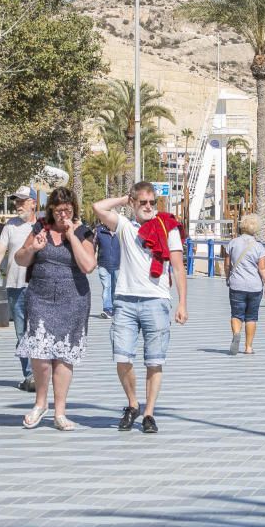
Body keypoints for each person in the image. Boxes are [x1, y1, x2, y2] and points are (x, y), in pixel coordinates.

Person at [93, 182, 188, 434]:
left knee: (154, 361)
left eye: (152, 202)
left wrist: (182, 303)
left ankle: (149, 413)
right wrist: (124, 199)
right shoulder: (124, 226)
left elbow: (178, 267)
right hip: (124, 300)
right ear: (133, 204)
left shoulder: (167, 227)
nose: (148, 207)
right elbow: (97, 207)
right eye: (142, 202)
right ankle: (133, 404)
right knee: (122, 357)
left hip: (156, 301)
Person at [14, 187, 96, 431]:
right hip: (40, 296)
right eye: (59, 210)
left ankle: (60, 411)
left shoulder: (83, 232)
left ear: (74, 210)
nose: (63, 215)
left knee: (64, 356)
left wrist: (71, 236)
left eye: (67, 210)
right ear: (51, 209)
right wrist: (33, 249)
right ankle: (41, 403)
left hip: (73, 300)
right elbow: (20, 259)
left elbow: (88, 265)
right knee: (39, 351)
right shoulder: (40, 228)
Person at [0, 186, 39, 391]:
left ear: (34, 203)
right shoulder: (10, 226)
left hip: (39, 288)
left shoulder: (43, 226)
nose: (18, 204)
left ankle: (39, 373)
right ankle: (30, 375)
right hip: (15, 285)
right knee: (22, 333)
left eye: (23, 201)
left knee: (39, 331)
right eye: (16, 201)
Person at [224, 214, 265, 355]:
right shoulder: (258, 246)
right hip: (255, 286)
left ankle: (236, 334)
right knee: (251, 317)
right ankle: (248, 347)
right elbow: (262, 268)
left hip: (237, 285)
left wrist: (228, 278)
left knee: (236, 314)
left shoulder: (232, 243)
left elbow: (227, 265)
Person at [94, 222, 121, 319]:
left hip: (118, 265)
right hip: (103, 264)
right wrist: (91, 260)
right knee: (106, 287)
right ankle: (107, 309)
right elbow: (93, 245)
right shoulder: (99, 230)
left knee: (116, 288)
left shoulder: (120, 230)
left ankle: (116, 308)